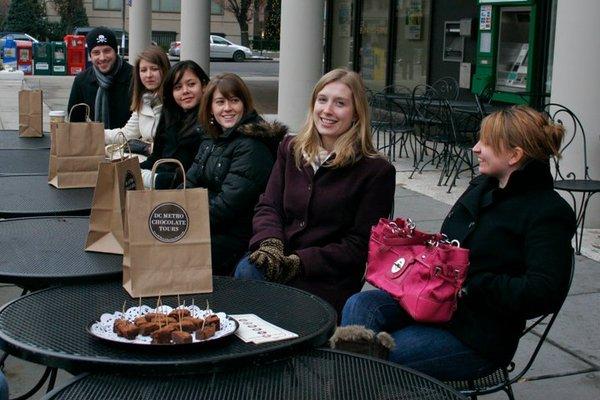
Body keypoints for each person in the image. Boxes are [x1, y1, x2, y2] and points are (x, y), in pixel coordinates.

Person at [337, 106, 576, 381]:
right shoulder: (483, 186)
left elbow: (543, 292)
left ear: (514, 155)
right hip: (432, 302)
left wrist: (473, 284)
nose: (475, 148)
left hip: (476, 335)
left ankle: (353, 384)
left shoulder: (547, 211)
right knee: (360, 306)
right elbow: (453, 244)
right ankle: (358, 383)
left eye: (486, 143)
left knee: (378, 355)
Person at [234, 68, 396, 315]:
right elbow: (269, 205)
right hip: (279, 259)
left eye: (340, 103)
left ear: (356, 114)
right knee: (248, 269)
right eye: (322, 100)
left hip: (326, 278)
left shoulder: (375, 170)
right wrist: (270, 244)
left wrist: (300, 263)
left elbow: (359, 245)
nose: (327, 110)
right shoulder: (291, 148)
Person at [185, 73, 287, 275]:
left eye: (234, 100)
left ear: (244, 104)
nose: (227, 108)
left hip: (236, 237)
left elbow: (227, 206)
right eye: (220, 102)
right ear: (210, 108)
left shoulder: (251, 145)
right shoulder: (211, 139)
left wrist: (185, 219)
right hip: (208, 225)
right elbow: (188, 182)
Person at [139, 60, 209, 189]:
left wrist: (151, 179)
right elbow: (156, 156)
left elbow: (196, 172)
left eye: (191, 84)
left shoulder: (210, 120)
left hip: (186, 190)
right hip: (160, 181)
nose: (185, 91)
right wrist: (133, 170)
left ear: (203, 86)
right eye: (178, 87)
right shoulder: (170, 114)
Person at [104, 45, 170, 161]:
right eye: (143, 70)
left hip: (166, 164)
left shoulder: (175, 99)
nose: (148, 75)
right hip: (149, 160)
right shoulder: (144, 100)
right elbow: (127, 134)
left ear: (164, 70)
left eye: (154, 69)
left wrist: (148, 147)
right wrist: (94, 133)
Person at [67, 27, 133, 128]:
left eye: (107, 51)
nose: (102, 58)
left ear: (115, 51)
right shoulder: (82, 80)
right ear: (90, 56)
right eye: (96, 52)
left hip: (132, 140)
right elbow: (75, 122)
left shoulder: (134, 76)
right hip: (97, 140)